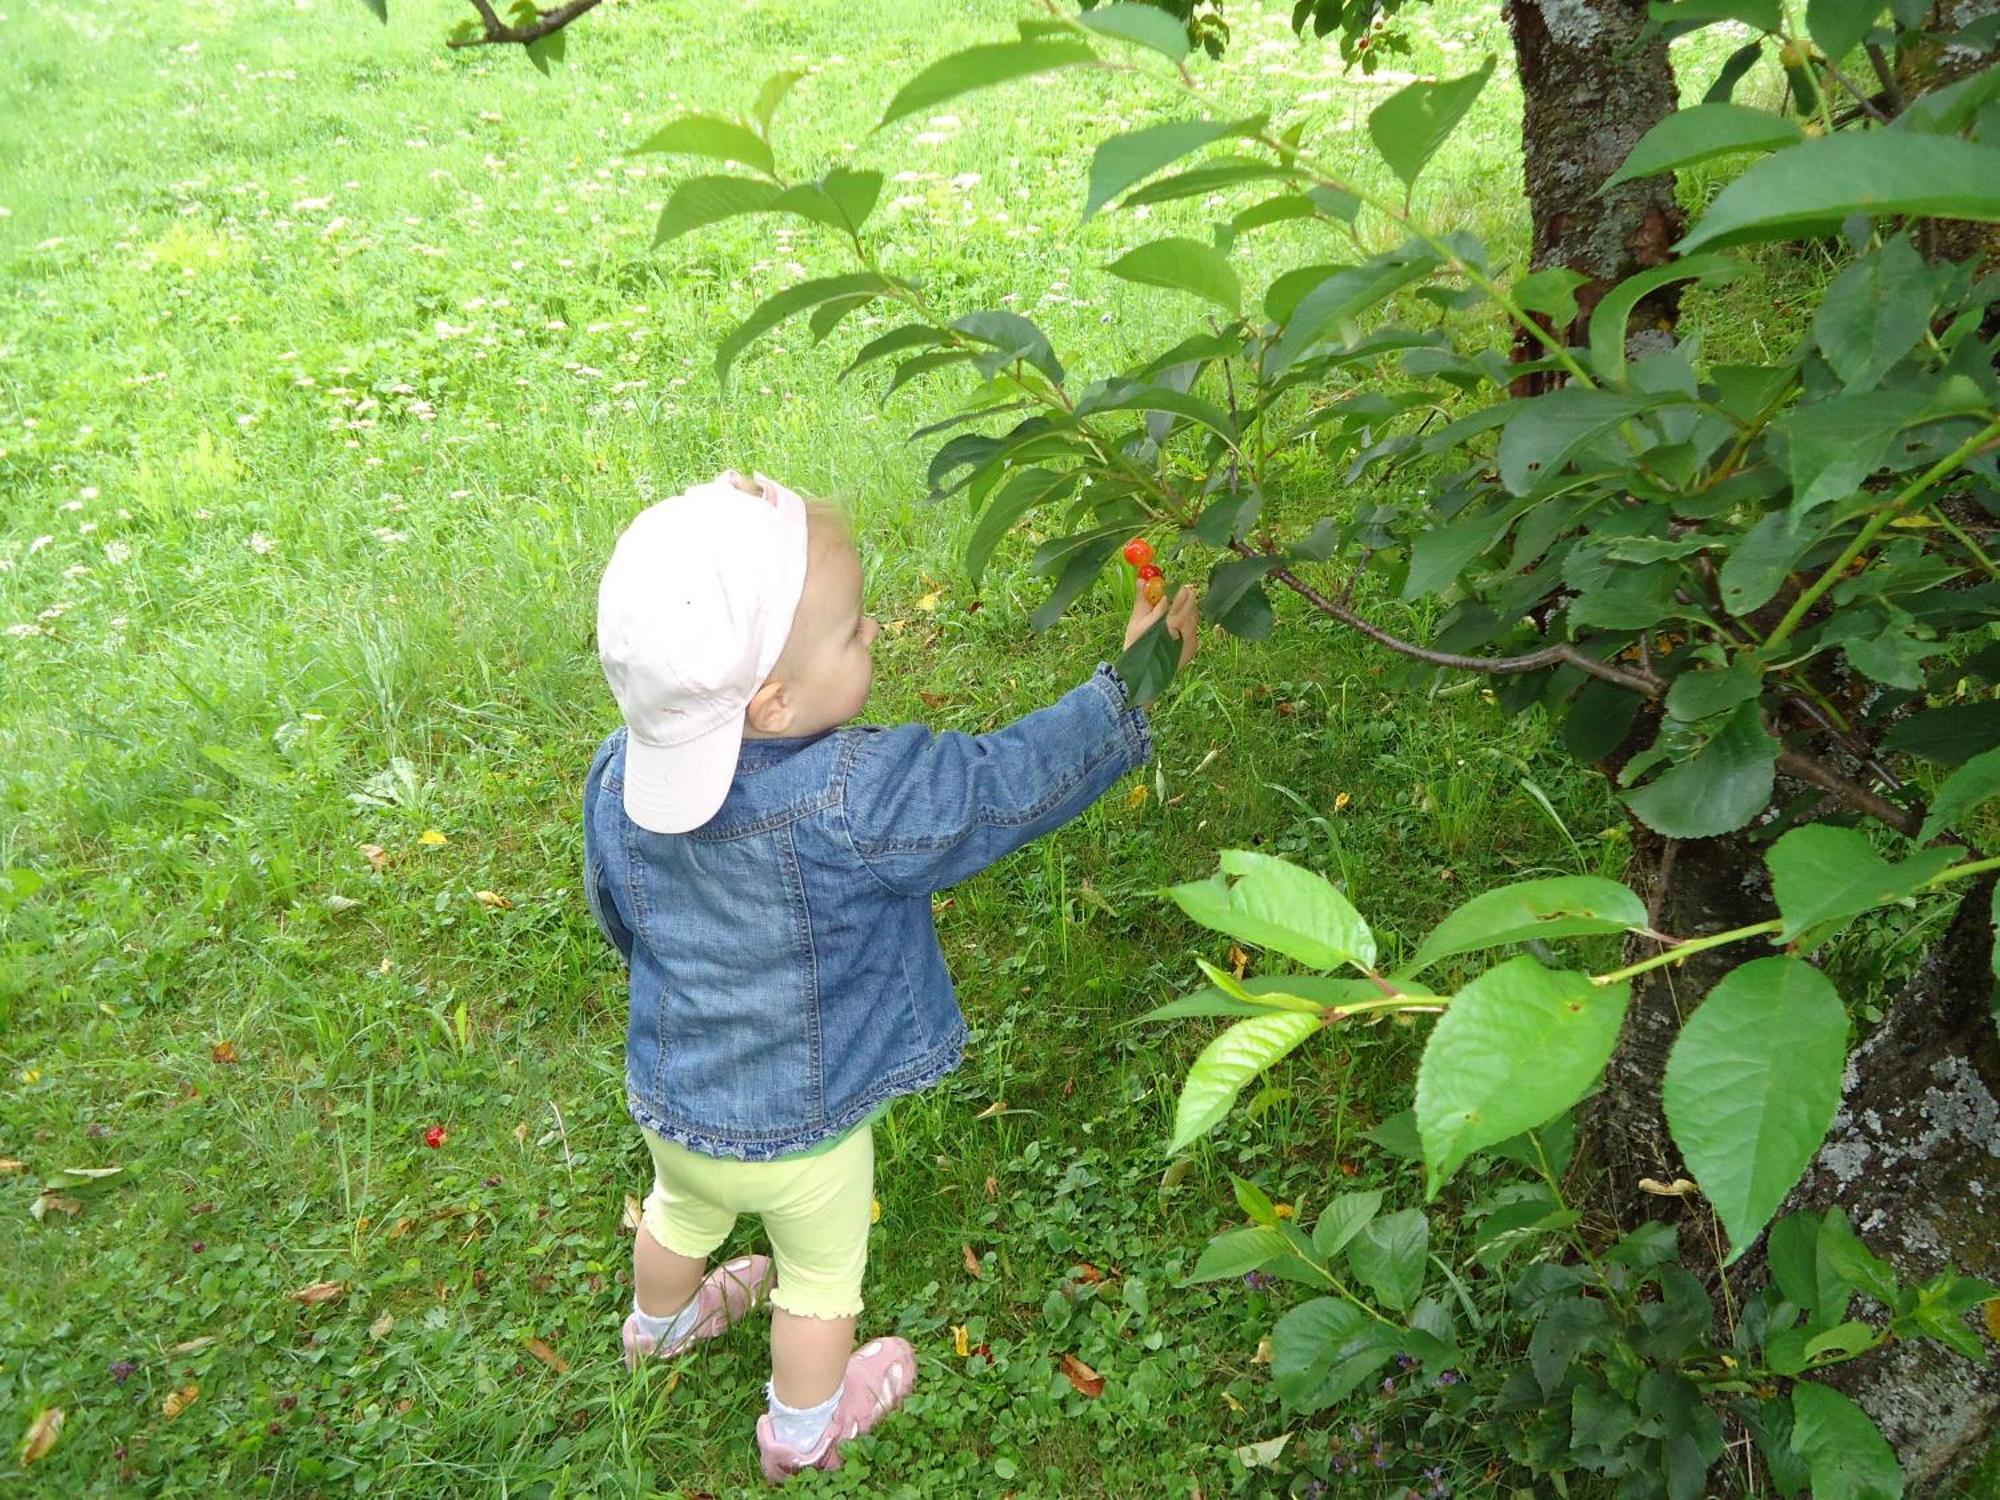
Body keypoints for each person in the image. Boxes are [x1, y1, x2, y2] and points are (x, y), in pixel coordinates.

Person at [581, 470, 1198, 1481]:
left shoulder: (619, 771)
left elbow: (621, 916)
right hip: (804, 1135)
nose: (873, 633)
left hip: (668, 1097)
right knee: (819, 1274)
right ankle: (804, 1424)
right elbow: (1000, 785)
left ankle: (659, 1323)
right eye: (851, 628)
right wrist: (1126, 689)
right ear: (774, 701)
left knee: (678, 1209)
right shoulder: (854, 794)